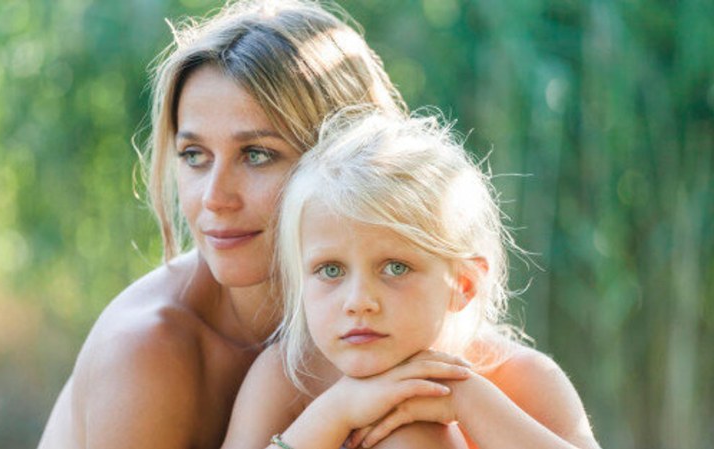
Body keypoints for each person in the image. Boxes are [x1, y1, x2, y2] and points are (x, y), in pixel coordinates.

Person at [37, 1, 406, 448]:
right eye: (195, 156)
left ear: (347, 160)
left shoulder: (400, 308)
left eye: (256, 155)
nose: (214, 197)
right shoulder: (148, 349)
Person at [221, 109, 602, 449]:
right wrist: (335, 411)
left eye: (395, 268)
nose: (359, 301)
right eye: (330, 270)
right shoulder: (291, 375)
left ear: (463, 284)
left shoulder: (521, 377)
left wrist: (468, 400)